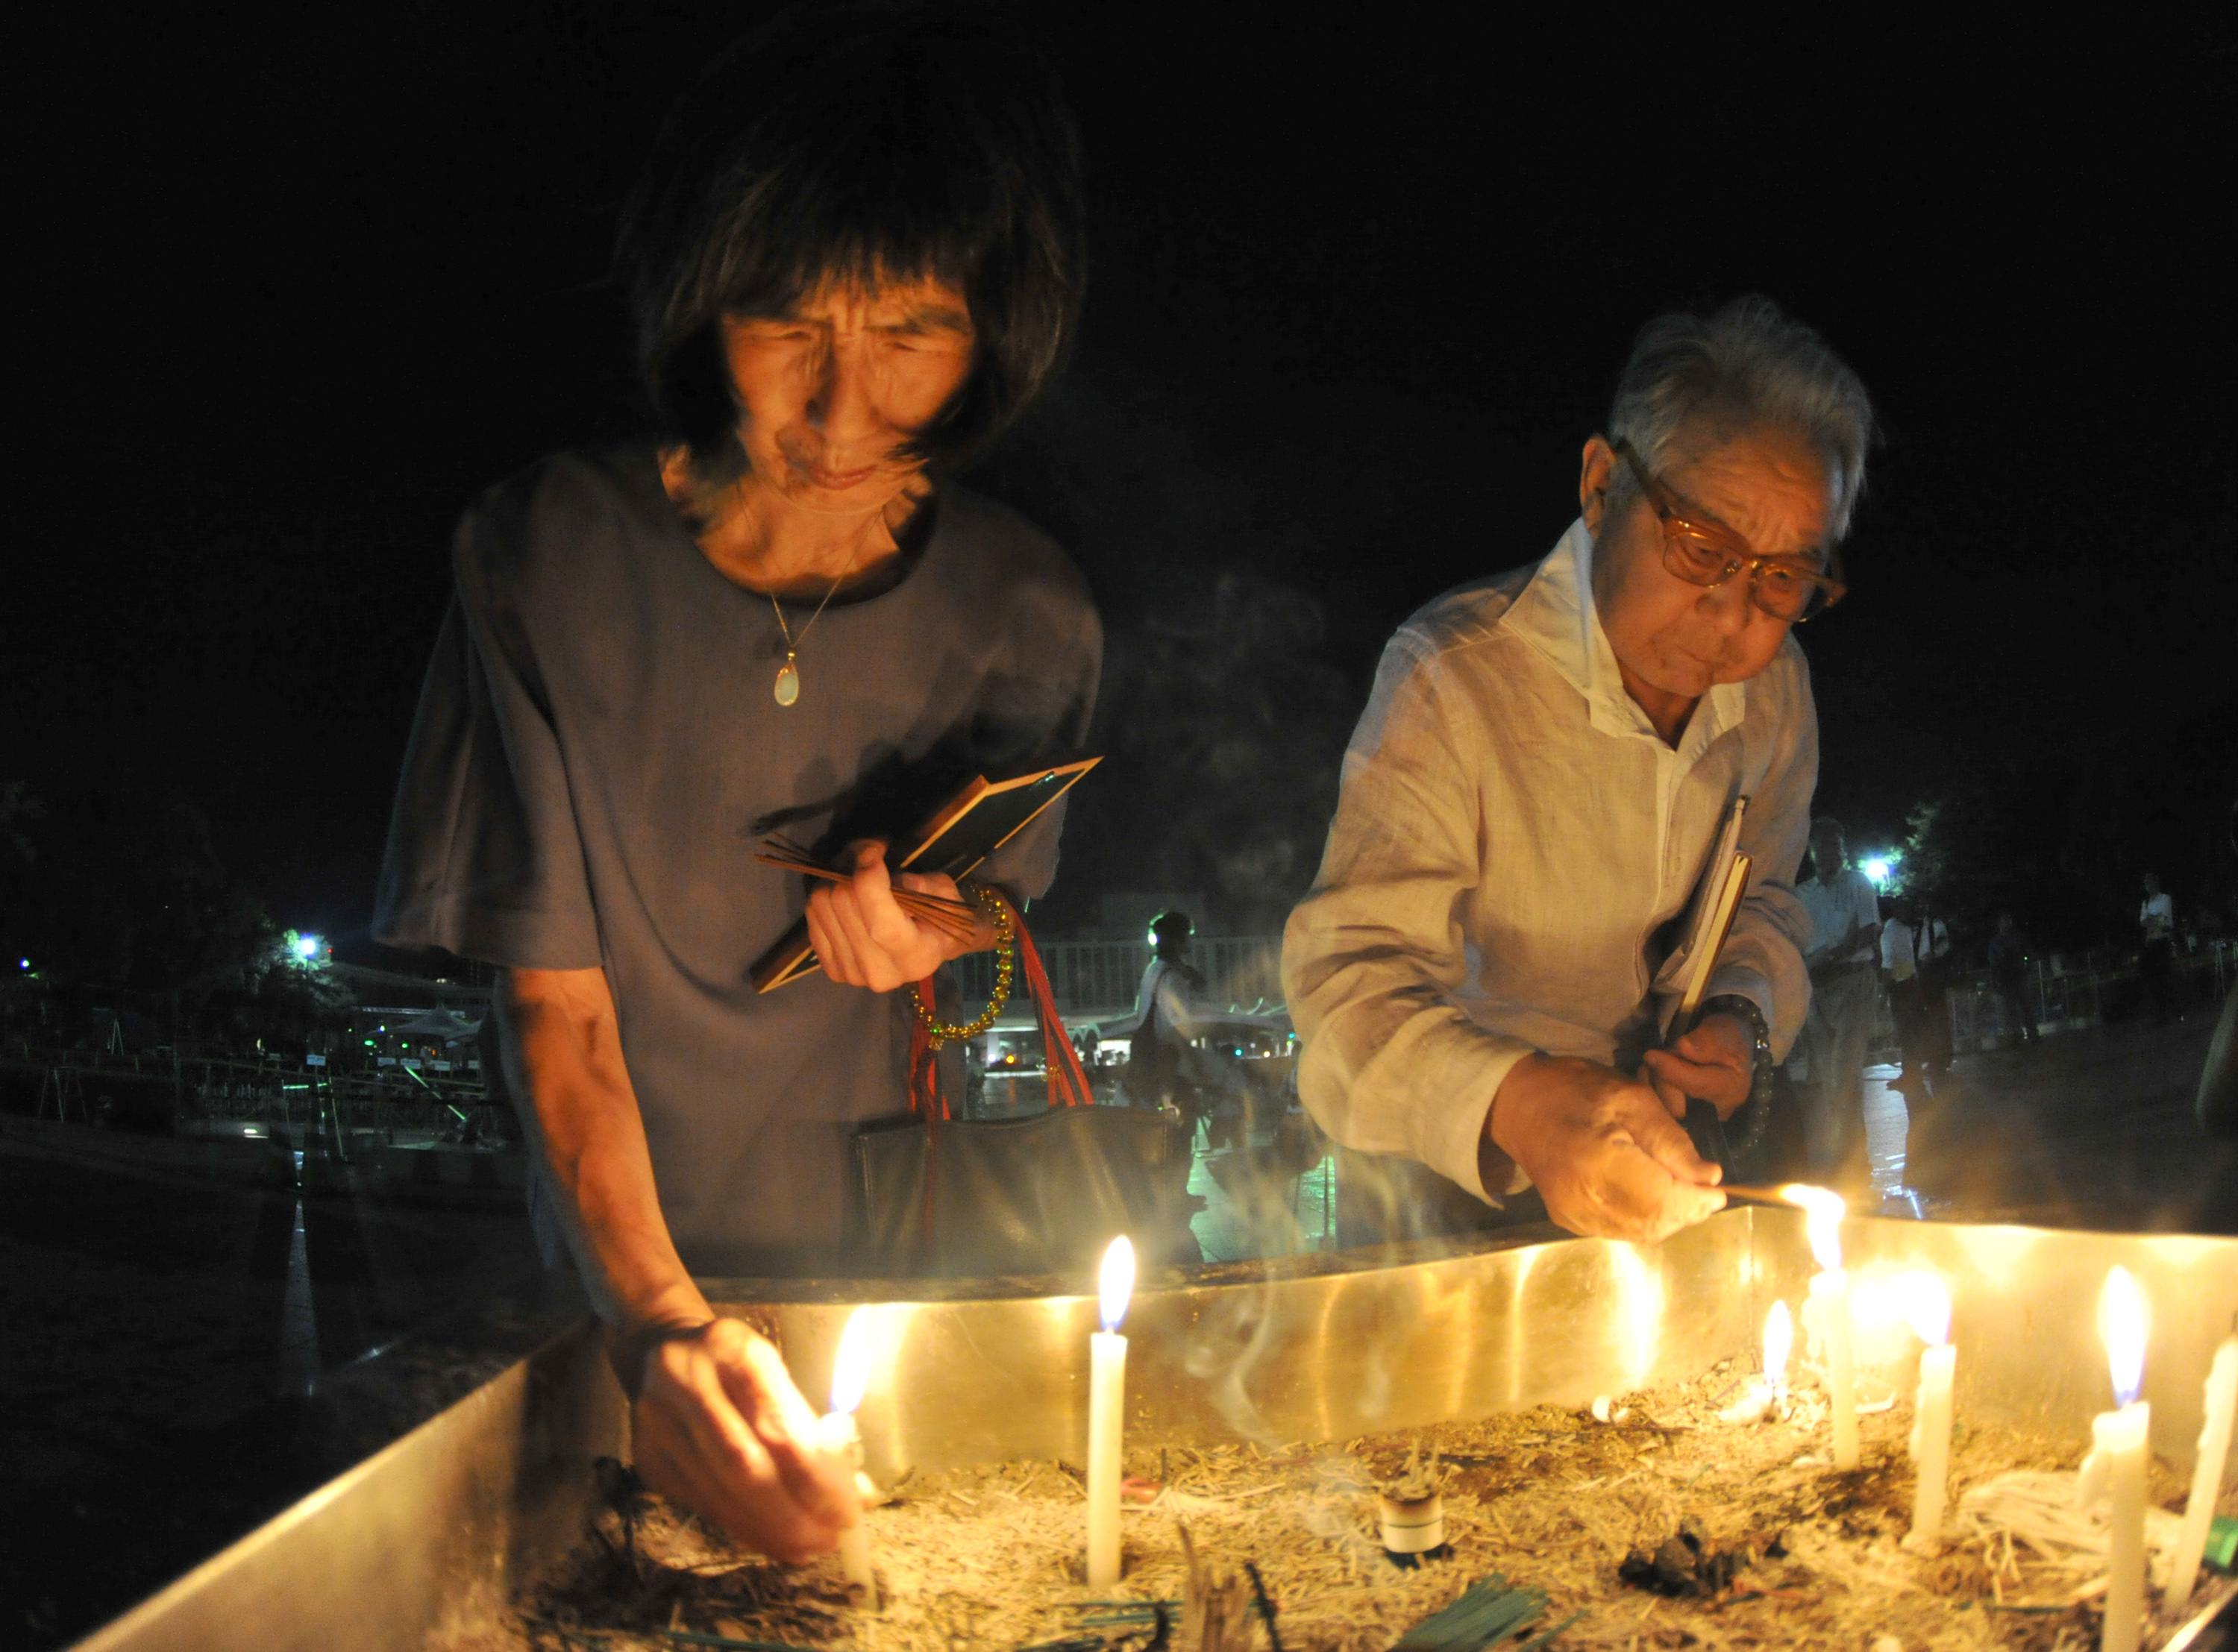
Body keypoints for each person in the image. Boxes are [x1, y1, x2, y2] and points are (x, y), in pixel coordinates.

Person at [371, 6, 1095, 1562]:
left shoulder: (1029, 615)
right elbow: (558, 1012)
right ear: (704, 310)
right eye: (789, 328)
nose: (841, 415)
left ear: (993, 333)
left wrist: (932, 929)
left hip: (883, 1280)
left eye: (909, 335)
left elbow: (990, 936)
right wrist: (658, 1326)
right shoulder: (543, 563)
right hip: (601, 1278)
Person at [1284, 296, 1872, 1244]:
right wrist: (1522, 1101)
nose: (1731, 619)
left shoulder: (1777, 693)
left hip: (1676, 1157)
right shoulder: (1458, 678)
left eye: (1781, 580)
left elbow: (1762, 898)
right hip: (1455, 1191)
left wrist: (1738, 1017)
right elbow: (1349, 988)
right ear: (1603, 487)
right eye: (1701, 548)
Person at [1794, 817, 1883, 1175]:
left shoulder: (1858, 883)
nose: (1831, 852)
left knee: (1843, 1071)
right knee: (1827, 1071)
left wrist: (1830, 956)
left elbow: (1869, 930)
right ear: (1813, 849)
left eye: (1837, 845)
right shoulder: (1803, 894)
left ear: (1843, 848)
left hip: (1852, 983)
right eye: (1823, 845)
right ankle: (1846, 1143)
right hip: (1818, 987)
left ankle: (1849, 1150)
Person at [1987, 911, 2037, 1046]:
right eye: (2005, 921)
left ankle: (2029, 1034)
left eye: (2008, 921)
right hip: (2008, 979)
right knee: (2013, 1010)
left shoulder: (2016, 938)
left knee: (2024, 1008)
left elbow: (2028, 954)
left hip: (2018, 976)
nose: (2007, 924)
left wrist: (2026, 965)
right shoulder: (1997, 942)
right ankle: (2019, 1035)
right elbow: (1993, 963)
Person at [2139, 872, 2179, 1024]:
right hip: (2152, 942)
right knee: (2153, 978)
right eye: (2146, 883)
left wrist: (2153, 920)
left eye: (2150, 882)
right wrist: (2156, 920)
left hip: (2162, 942)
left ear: (2156, 883)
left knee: (2165, 977)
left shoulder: (2165, 899)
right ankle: (2161, 1012)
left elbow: (2166, 921)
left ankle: (2173, 1010)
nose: (2148, 886)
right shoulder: (2146, 902)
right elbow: (2144, 922)